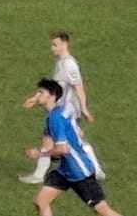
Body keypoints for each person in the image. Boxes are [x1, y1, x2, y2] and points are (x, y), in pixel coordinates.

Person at [20, 77, 137, 216]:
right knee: (41, 201)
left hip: (79, 172)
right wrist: (35, 101)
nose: (37, 95)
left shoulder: (55, 118)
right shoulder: (59, 112)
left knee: (103, 213)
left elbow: (63, 149)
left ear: (52, 96)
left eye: (41, 92)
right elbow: (75, 134)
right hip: (66, 170)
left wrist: (39, 154)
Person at [21, 32, 105, 185]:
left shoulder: (69, 65)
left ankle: (96, 169)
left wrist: (84, 108)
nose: (52, 48)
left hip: (66, 112)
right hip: (59, 110)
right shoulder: (61, 62)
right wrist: (36, 97)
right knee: (53, 139)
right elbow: (53, 87)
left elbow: (79, 88)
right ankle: (39, 175)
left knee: (72, 140)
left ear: (65, 44)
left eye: (55, 45)